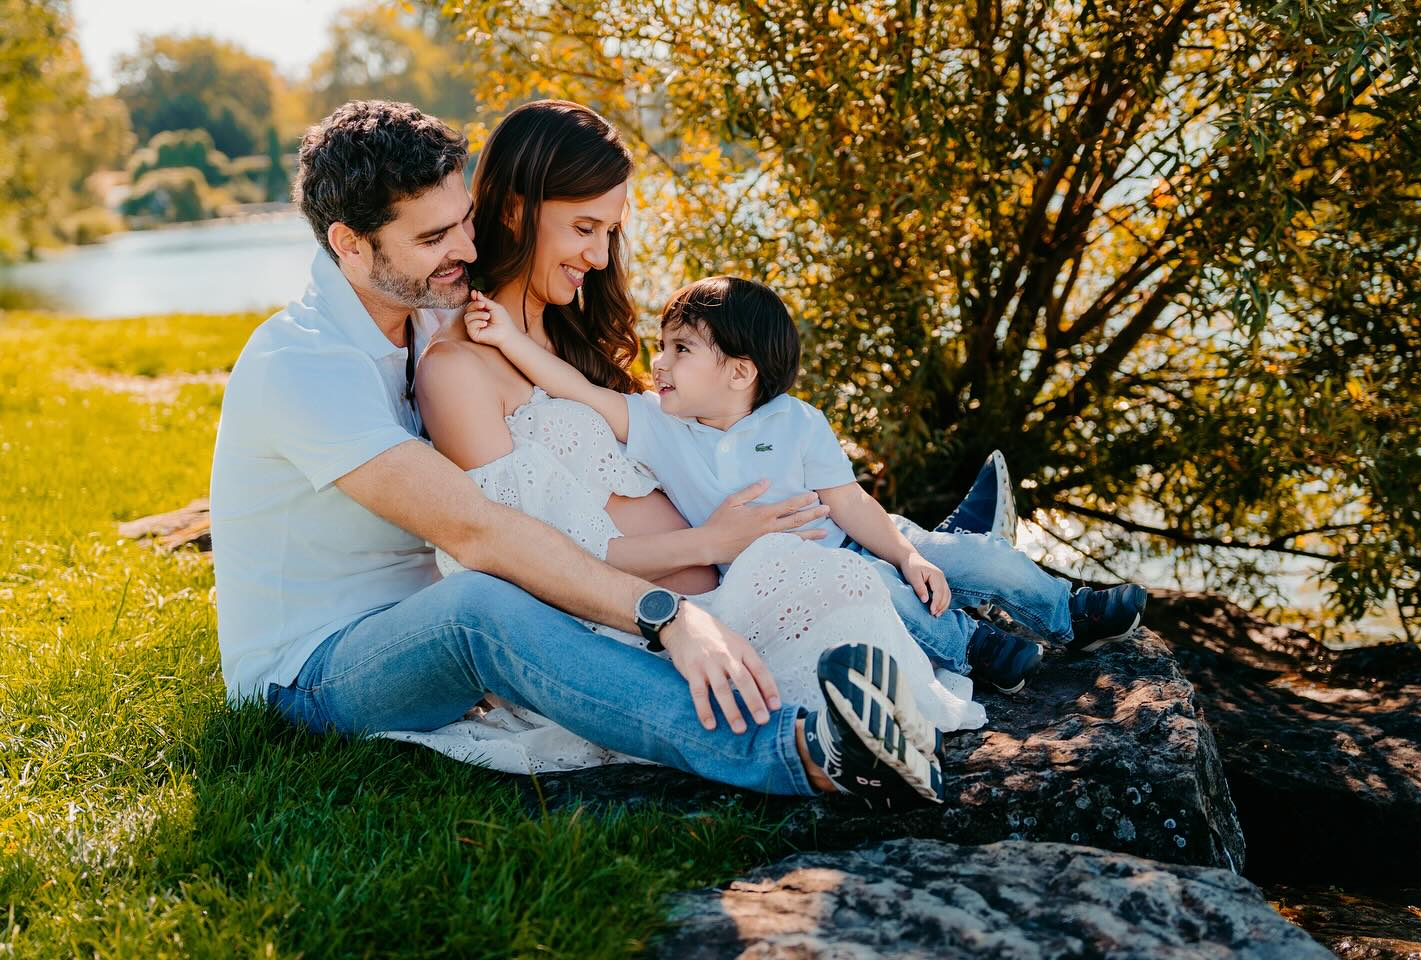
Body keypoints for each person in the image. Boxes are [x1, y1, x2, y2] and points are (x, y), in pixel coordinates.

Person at [209, 99, 949, 813]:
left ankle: (946, 579)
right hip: (313, 671)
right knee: (479, 608)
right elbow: (478, 532)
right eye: (434, 239)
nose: (465, 250)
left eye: (464, 221)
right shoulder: (302, 364)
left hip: (421, 626)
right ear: (348, 244)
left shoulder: (429, 311)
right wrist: (668, 617)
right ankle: (799, 752)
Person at [463, 273, 1056, 693]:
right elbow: (579, 391)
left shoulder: (796, 421)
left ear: (740, 372)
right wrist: (507, 339)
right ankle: (976, 647)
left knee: (952, 556)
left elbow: (848, 500)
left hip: (851, 537)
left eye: (681, 349)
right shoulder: (656, 423)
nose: (658, 363)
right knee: (880, 587)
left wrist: (906, 553)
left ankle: (1067, 607)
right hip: (794, 578)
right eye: (662, 347)